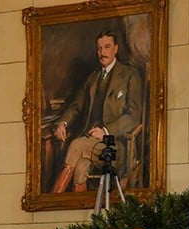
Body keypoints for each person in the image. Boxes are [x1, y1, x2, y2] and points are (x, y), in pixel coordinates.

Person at [50, 29, 147, 194]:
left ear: (116, 48)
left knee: (75, 145)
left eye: (107, 47)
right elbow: (76, 106)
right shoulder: (93, 78)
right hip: (89, 144)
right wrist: (62, 124)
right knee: (80, 168)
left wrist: (106, 132)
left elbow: (133, 116)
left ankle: (52, 198)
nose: (102, 52)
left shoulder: (130, 75)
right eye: (99, 48)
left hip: (116, 146)